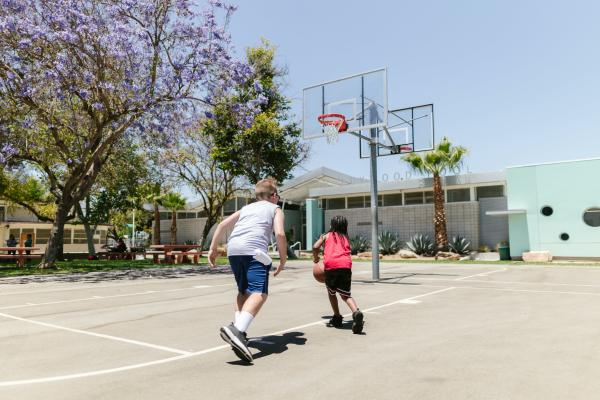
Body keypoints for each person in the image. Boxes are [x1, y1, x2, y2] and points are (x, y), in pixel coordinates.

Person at [208, 178, 287, 363]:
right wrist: (283, 259)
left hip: (233, 251)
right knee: (260, 293)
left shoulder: (246, 208)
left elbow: (221, 225)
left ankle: (239, 331)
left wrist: (212, 249)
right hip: (254, 251)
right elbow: (280, 233)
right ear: (274, 196)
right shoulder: (275, 209)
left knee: (243, 291)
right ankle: (237, 330)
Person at [312, 215, 364, 334]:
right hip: (346, 266)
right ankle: (356, 312)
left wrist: (316, 259)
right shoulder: (346, 237)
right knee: (346, 295)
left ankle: (337, 317)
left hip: (331, 266)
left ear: (332, 225)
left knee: (332, 293)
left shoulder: (326, 236)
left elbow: (315, 247)